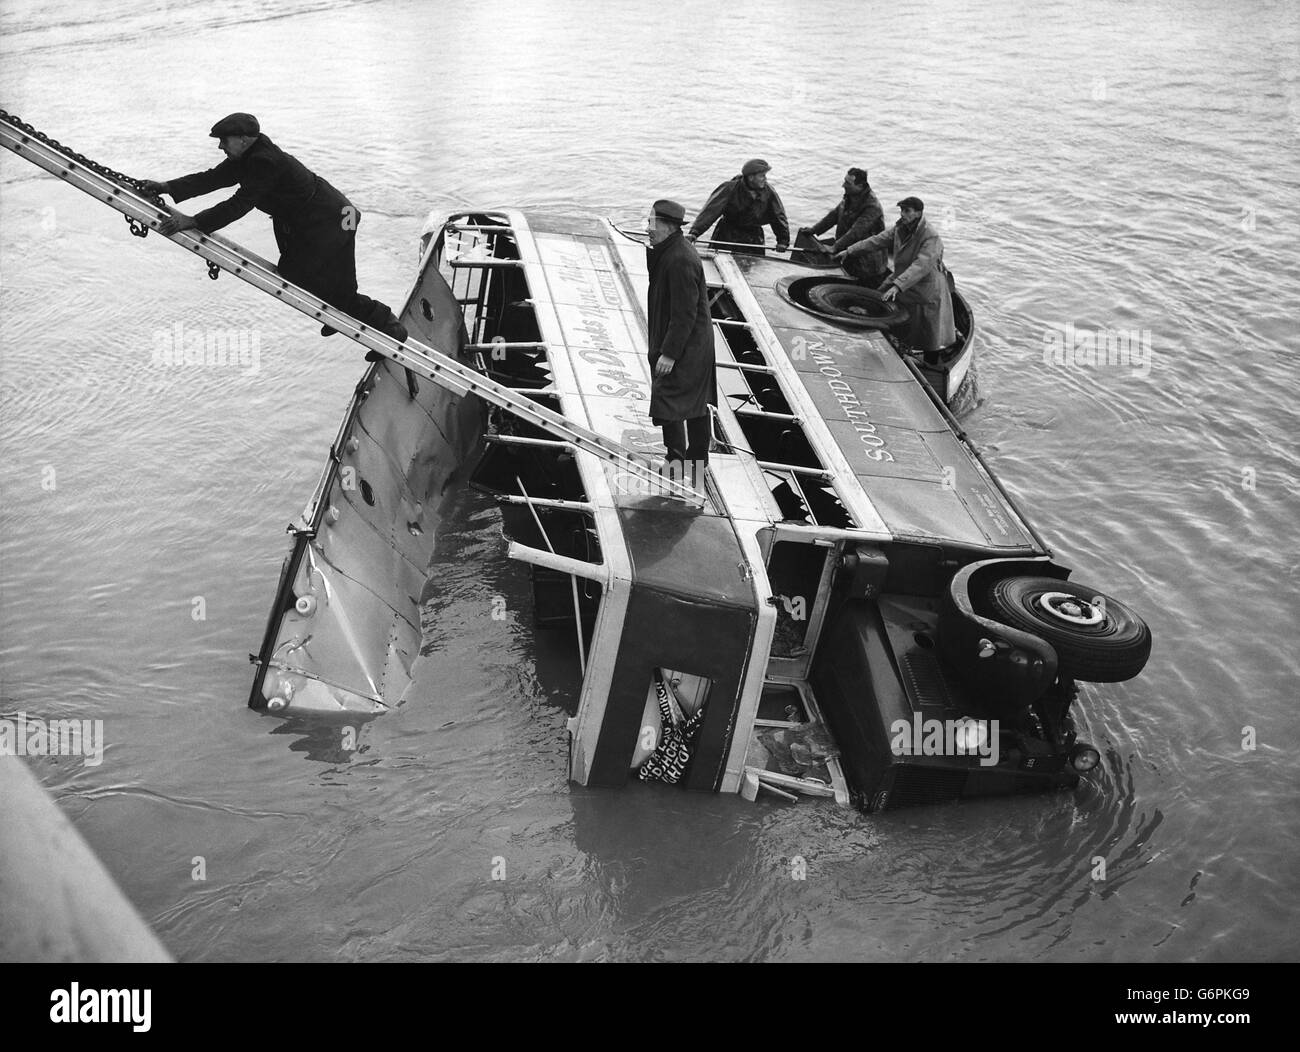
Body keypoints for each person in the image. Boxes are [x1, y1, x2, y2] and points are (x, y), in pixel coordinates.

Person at [142, 113, 407, 356]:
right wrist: (165, 186)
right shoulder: (246, 156)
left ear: (244, 140)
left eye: (224, 141)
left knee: (304, 275)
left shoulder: (263, 162)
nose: (220, 146)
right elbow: (210, 179)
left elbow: (240, 204)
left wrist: (194, 221)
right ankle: (347, 313)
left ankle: (389, 327)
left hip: (334, 218)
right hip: (318, 218)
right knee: (327, 282)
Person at [645, 198, 716, 491]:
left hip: (687, 347)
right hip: (692, 343)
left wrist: (670, 354)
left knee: (670, 400)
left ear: (665, 225)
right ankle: (696, 466)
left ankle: (676, 466)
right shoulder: (672, 251)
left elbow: (685, 313)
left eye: (650, 222)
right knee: (694, 405)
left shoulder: (679, 259)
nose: (647, 228)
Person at [835, 196, 955, 353]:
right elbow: (877, 240)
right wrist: (850, 250)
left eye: (907, 211)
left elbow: (921, 265)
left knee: (929, 331)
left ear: (918, 213)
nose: (903, 214)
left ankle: (928, 356)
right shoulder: (900, 229)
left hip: (926, 286)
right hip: (905, 277)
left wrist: (897, 286)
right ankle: (892, 343)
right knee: (882, 298)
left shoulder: (930, 236)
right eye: (902, 211)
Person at [798, 167, 887, 285]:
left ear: (860, 186)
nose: (843, 185)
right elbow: (834, 216)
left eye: (847, 183)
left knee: (859, 289)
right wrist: (814, 230)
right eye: (845, 181)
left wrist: (835, 247)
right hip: (848, 254)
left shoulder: (872, 206)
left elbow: (856, 232)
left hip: (867, 263)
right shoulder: (850, 196)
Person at [686, 159, 789, 255]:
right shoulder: (729, 188)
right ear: (751, 177)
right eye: (762, 176)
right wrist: (694, 233)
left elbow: (778, 216)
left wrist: (783, 241)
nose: (765, 179)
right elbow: (710, 211)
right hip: (727, 234)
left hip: (753, 237)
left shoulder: (769, 192)